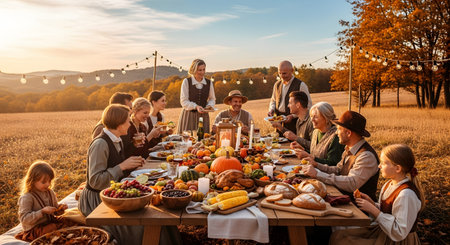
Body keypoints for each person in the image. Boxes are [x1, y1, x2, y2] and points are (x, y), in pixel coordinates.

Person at [79, 104, 146, 245]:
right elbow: (95, 181)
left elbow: (116, 166)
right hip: (96, 199)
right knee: (139, 226)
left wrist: (132, 163)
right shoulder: (100, 144)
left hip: (110, 193)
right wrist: (122, 166)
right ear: (119, 123)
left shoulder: (117, 139)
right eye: (128, 120)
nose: (130, 124)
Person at [330, 144, 424, 244]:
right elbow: (390, 211)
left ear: (397, 168)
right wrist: (372, 204)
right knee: (339, 232)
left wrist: (373, 211)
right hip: (384, 231)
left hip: (396, 240)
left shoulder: (406, 194)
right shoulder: (389, 184)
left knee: (342, 240)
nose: (379, 166)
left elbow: (399, 231)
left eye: (383, 163)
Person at [302, 111, 379, 201]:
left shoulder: (366, 156)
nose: (336, 133)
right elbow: (338, 170)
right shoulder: (349, 148)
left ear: (348, 133)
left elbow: (352, 184)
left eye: (339, 129)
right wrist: (317, 165)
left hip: (359, 209)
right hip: (344, 199)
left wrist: (318, 174)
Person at [15, 161, 79, 242]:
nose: (48, 184)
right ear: (32, 180)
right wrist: (42, 212)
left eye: (49, 181)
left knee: (68, 220)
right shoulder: (27, 197)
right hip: (35, 229)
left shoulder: (49, 192)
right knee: (52, 228)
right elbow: (24, 219)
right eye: (44, 182)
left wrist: (60, 208)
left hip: (50, 222)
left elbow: (55, 211)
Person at [292, 102, 345, 166]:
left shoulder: (336, 136)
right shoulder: (316, 131)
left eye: (316, 117)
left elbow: (333, 164)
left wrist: (309, 156)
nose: (312, 120)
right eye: (311, 116)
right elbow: (315, 154)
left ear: (326, 118)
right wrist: (303, 150)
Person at [268, 60, 312, 134]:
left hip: (295, 124)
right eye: (279, 73)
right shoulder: (277, 84)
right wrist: (271, 109)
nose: (281, 76)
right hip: (279, 123)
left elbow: (308, 105)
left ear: (292, 71)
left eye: (284, 73)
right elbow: (273, 100)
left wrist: (293, 116)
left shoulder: (301, 85)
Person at [177, 59, 216, 134]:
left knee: (203, 140)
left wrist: (208, 106)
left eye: (203, 69)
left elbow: (212, 99)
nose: (202, 72)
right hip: (189, 115)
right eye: (199, 70)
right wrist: (196, 106)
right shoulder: (186, 82)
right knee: (188, 139)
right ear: (194, 70)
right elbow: (184, 101)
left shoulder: (209, 83)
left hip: (203, 116)